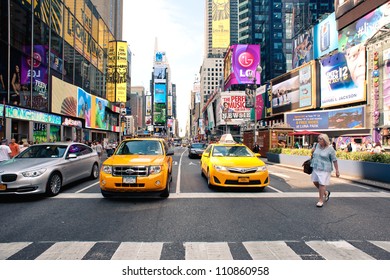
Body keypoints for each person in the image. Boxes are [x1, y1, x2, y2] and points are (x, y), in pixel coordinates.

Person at [310, 133, 340, 207]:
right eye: (318, 139)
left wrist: (337, 170)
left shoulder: (330, 149)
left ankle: (320, 200)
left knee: (322, 184)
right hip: (316, 167)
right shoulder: (316, 145)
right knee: (315, 182)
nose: (318, 140)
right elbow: (313, 154)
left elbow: (334, 160)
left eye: (320, 139)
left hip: (325, 169)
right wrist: (312, 151)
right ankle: (326, 193)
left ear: (325, 140)